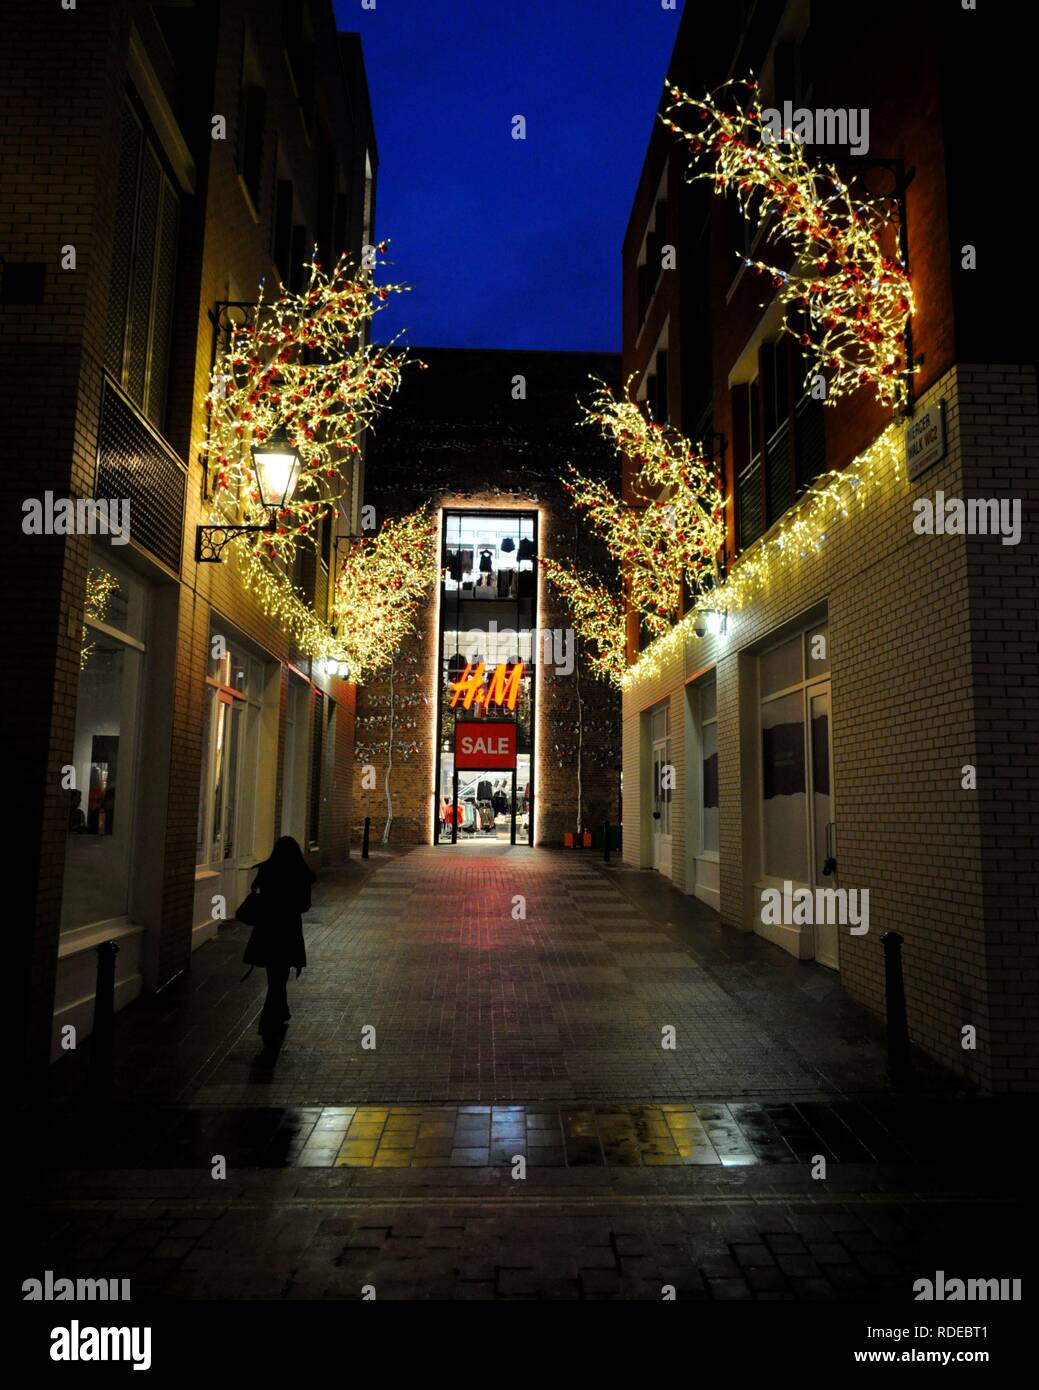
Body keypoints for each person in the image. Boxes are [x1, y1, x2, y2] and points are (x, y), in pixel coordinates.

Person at [242, 836, 315, 1041]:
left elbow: (256, 891)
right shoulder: (301, 874)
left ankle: (277, 1013)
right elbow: (304, 906)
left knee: (274, 976)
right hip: (288, 929)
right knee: (279, 976)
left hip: (267, 928)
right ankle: (271, 1019)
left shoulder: (267, 869)